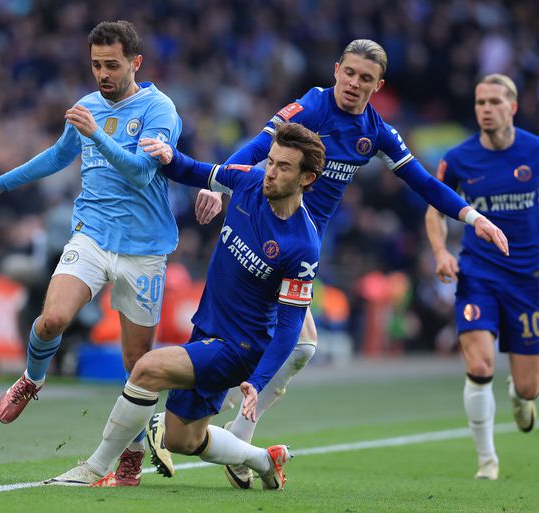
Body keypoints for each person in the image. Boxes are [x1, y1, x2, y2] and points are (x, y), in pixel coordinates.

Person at [192, 39, 509, 489]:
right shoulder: (310, 107)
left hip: (298, 250)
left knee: (295, 346)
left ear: (378, 85)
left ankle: (218, 428)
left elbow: (423, 183)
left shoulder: (375, 132)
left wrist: (474, 218)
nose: (355, 83)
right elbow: (258, 147)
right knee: (284, 343)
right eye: (350, 73)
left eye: (366, 78)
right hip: (265, 233)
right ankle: (217, 432)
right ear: (337, 70)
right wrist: (217, 183)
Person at [0, 20, 216, 486]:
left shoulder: (159, 109)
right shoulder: (87, 106)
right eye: (96, 64)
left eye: (111, 65)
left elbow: (141, 172)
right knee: (52, 319)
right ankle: (32, 379)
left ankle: (132, 453)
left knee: (138, 365)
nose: (102, 74)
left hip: (144, 250)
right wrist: (0, 184)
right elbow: (58, 156)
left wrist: (97, 134)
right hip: (92, 235)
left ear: (135, 62)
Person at [44, 122, 324, 488]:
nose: (270, 172)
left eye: (283, 167)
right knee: (183, 438)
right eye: (270, 161)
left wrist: (258, 382)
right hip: (206, 328)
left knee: (146, 369)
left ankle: (94, 470)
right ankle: (263, 460)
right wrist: (169, 156)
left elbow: (289, 326)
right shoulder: (249, 181)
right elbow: (194, 171)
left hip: (239, 347)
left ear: (307, 178)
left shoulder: (303, 246)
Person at [425, 74, 539, 481]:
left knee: (529, 388)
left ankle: (520, 395)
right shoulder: (458, 158)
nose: (485, 109)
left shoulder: (534, 151)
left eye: (494, 102)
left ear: (513, 107)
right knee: (479, 364)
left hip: (528, 279)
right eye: (480, 102)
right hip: (479, 273)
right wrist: (441, 252)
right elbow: (435, 209)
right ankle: (487, 460)